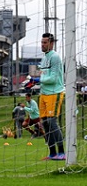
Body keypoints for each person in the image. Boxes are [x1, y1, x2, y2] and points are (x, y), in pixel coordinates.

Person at [38, 33, 65, 161]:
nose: (42, 45)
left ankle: (62, 152)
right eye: (42, 42)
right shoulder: (44, 58)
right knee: (45, 123)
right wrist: (34, 82)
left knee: (52, 122)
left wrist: (38, 79)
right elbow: (44, 76)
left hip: (55, 92)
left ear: (51, 43)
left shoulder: (55, 57)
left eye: (45, 42)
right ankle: (52, 153)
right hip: (43, 94)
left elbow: (53, 78)